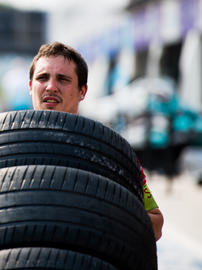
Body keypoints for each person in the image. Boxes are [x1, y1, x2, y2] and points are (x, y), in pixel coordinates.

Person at [28, 41, 164, 241]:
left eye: (63, 79)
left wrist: (96, 213)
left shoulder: (109, 152)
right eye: (42, 78)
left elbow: (155, 225)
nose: (51, 86)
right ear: (31, 87)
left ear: (83, 91)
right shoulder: (1, 147)